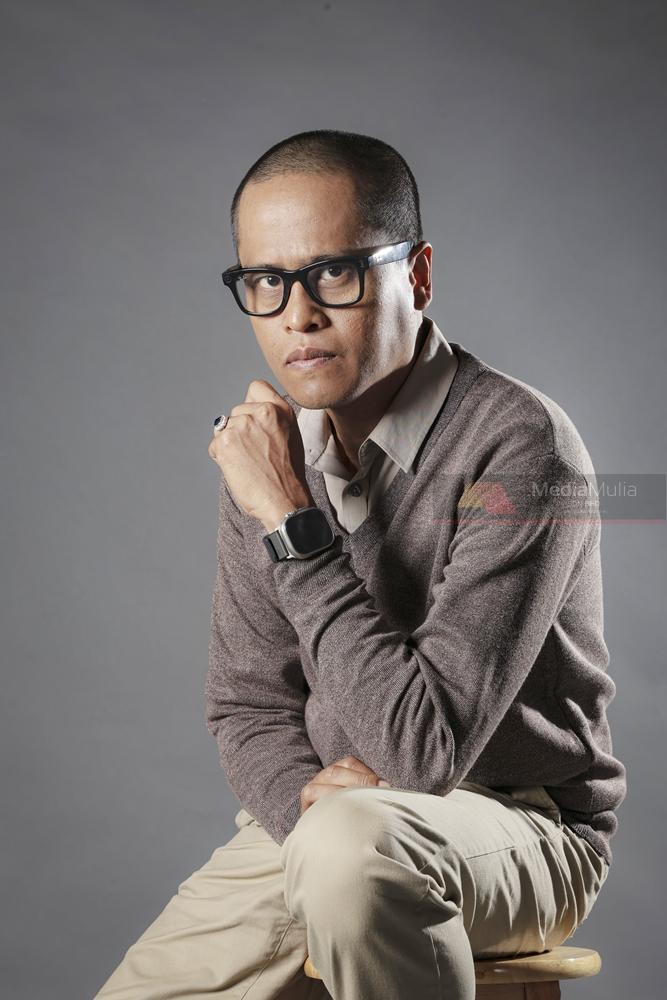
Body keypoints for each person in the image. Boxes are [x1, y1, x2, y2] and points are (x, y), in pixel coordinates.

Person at [93, 129, 626, 1000]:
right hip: (325, 824)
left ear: (416, 275)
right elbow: (248, 703)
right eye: (265, 281)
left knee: (350, 851)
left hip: (520, 825)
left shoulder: (522, 449)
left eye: (333, 273)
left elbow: (424, 752)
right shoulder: (273, 457)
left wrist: (292, 525)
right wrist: (303, 803)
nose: (296, 315)